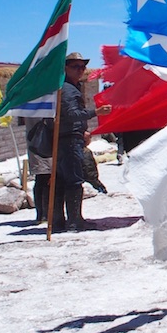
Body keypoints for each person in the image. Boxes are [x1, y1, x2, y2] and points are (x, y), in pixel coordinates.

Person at [52, 52, 111, 232]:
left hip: (69, 138)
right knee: (73, 181)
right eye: (75, 67)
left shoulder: (69, 87)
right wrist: (96, 112)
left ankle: (60, 221)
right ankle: (74, 221)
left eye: (82, 67)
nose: (80, 70)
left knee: (63, 181)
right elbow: (71, 115)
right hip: (70, 140)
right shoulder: (68, 90)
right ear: (66, 68)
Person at [25, 121, 53, 224]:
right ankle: (44, 215)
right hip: (41, 144)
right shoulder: (39, 108)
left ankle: (43, 214)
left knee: (42, 178)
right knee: (45, 178)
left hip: (38, 143)